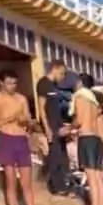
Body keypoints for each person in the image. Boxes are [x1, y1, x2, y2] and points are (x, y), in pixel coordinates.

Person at [0, 68, 38, 205]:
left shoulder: (22, 99)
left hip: (21, 140)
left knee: (27, 183)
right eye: (9, 83)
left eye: (15, 83)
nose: (13, 86)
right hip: (6, 139)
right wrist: (10, 118)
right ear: (1, 83)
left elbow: (29, 120)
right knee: (10, 182)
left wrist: (28, 122)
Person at [71, 73, 103, 205]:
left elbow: (79, 120)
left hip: (86, 137)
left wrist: (68, 127)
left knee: (91, 177)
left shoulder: (80, 97)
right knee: (98, 177)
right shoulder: (94, 101)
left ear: (79, 82)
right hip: (97, 139)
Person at [36, 60, 73, 196]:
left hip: (59, 125)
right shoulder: (43, 84)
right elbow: (41, 109)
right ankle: (56, 187)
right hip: (50, 125)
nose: (62, 77)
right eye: (62, 73)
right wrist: (47, 129)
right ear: (55, 69)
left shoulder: (55, 86)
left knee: (63, 157)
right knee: (55, 156)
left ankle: (64, 184)